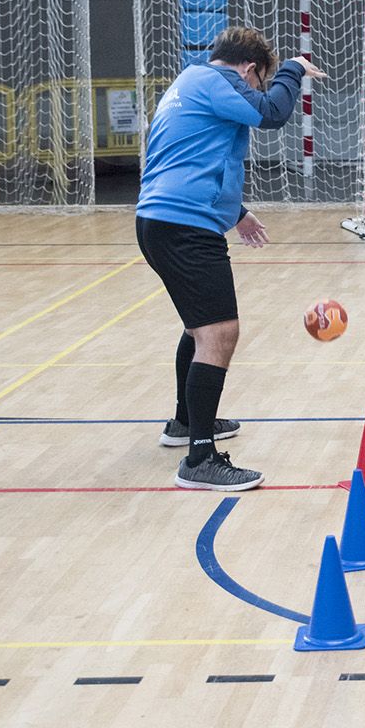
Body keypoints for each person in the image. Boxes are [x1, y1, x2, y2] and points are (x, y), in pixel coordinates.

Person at [135, 26, 323, 490]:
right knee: (220, 332)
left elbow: (188, 156)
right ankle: (200, 460)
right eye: (258, 82)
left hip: (164, 217)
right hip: (184, 224)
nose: (253, 92)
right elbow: (273, 113)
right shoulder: (218, 82)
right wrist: (295, 70)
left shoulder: (188, 83)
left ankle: (184, 424)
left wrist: (234, 212)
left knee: (198, 328)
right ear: (249, 69)